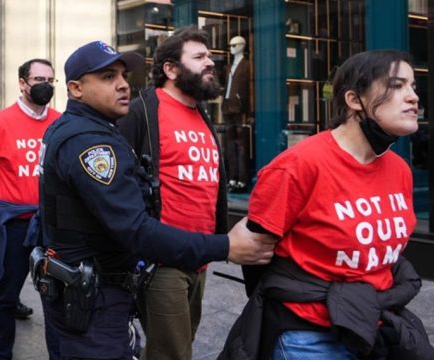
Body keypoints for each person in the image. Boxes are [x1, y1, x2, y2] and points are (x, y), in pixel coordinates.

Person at [34, 40, 276, 360]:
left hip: (94, 284)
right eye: (107, 77)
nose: (122, 84)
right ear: (76, 89)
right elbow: (134, 228)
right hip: (97, 293)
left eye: (123, 75)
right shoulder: (90, 142)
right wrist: (226, 246)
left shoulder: (81, 129)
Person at [219, 50, 434, 359]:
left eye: (413, 86)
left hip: (374, 325)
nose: (413, 97)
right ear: (353, 100)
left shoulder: (399, 170)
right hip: (308, 334)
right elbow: (256, 255)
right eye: (397, 85)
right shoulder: (297, 166)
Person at [117, 26, 226, 360]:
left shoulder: (202, 115)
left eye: (209, 56)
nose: (210, 63)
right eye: (199, 57)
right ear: (171, 69)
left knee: (177, 346)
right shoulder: (142, 112)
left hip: (200, 255)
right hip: (161, 259)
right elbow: (120, 182)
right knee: (174, 354)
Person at [0, 59, 61, 359]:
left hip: (52, 226)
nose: (45, 84)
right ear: (22, 83)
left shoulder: (61, 121)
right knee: (7, 295)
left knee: (57, 300)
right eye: (38, 78)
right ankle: (2, 354)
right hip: (14, 225)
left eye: (50, 78)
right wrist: (4, 202)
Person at [222, 35, 252, 191]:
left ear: (242, 46)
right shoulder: (229, 67)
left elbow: (250, 88)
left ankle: (242, 179)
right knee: (230, 144)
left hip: (240, 108)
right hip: (228, 106)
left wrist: (248, 109)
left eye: (234, 45)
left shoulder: (247, 65)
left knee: (241, 145)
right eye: (231, 46)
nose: (232, 49)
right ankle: (232, 178)